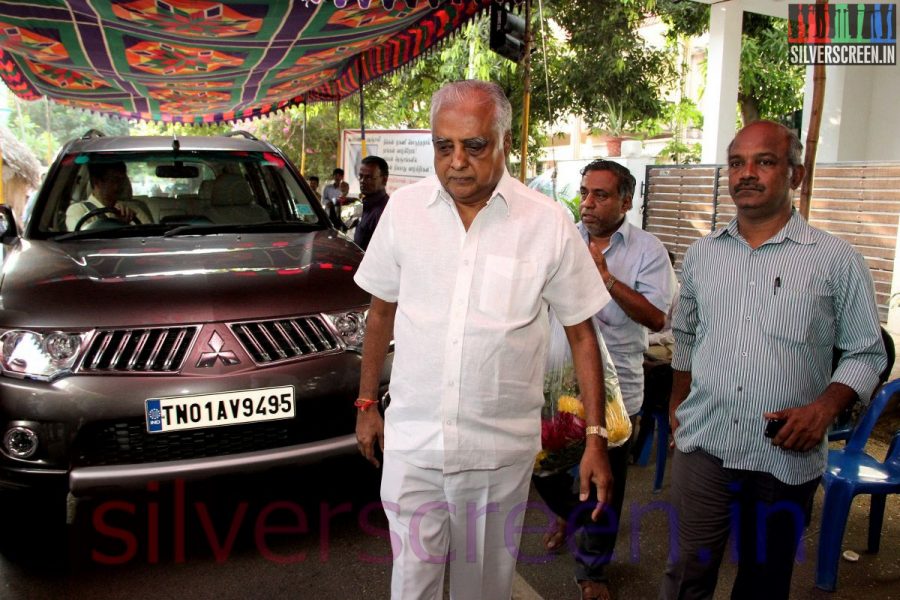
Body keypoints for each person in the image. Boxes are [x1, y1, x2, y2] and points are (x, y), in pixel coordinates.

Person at [354, 80, 614, 600]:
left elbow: (582, 334)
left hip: (497, 452)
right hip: (415, 446)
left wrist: (595, 437)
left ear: (504, 143)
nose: (456, 162)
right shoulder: (403, 213)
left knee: (484, 591)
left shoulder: (546, 223)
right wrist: (366, 404)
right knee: (411, 587)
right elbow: (380, 313)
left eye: (474, 146)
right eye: (442, 146)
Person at [661, 120, 887, 600]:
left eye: (764, 162)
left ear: (795, 175)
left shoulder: (837, 260)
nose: (747, 174)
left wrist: (824, 409)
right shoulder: (703, 254)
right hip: (706, 442)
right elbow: (685, 335)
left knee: (764, 581)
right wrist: (677, 407)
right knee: (686, 573)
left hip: (783, 454)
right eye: (737, 162)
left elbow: (866, 352)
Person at [533, 160, 676, 600]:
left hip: (619, 394)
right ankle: (567, 515)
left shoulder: (648, 251)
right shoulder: (561, 239)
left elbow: (656, 317)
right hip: (557, 387)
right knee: (541, 469)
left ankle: (593, 571)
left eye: (601, 194)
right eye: (584, 192)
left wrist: (605, 278)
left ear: (626, 201)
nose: (588, 203)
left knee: (603, 485)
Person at [66, 161, 152, 230]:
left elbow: (150, 237)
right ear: (97, 182)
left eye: (122, 180)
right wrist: (120, 224)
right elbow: (81, 243)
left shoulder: (133, 209)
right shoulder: (78, 210)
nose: (120, 186)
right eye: (114, 180)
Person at [353, 155, 390, 250]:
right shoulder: (365, 204)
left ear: (384, 180)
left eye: (369, 177)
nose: (362, 181)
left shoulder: (383, 212)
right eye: (360, 176)